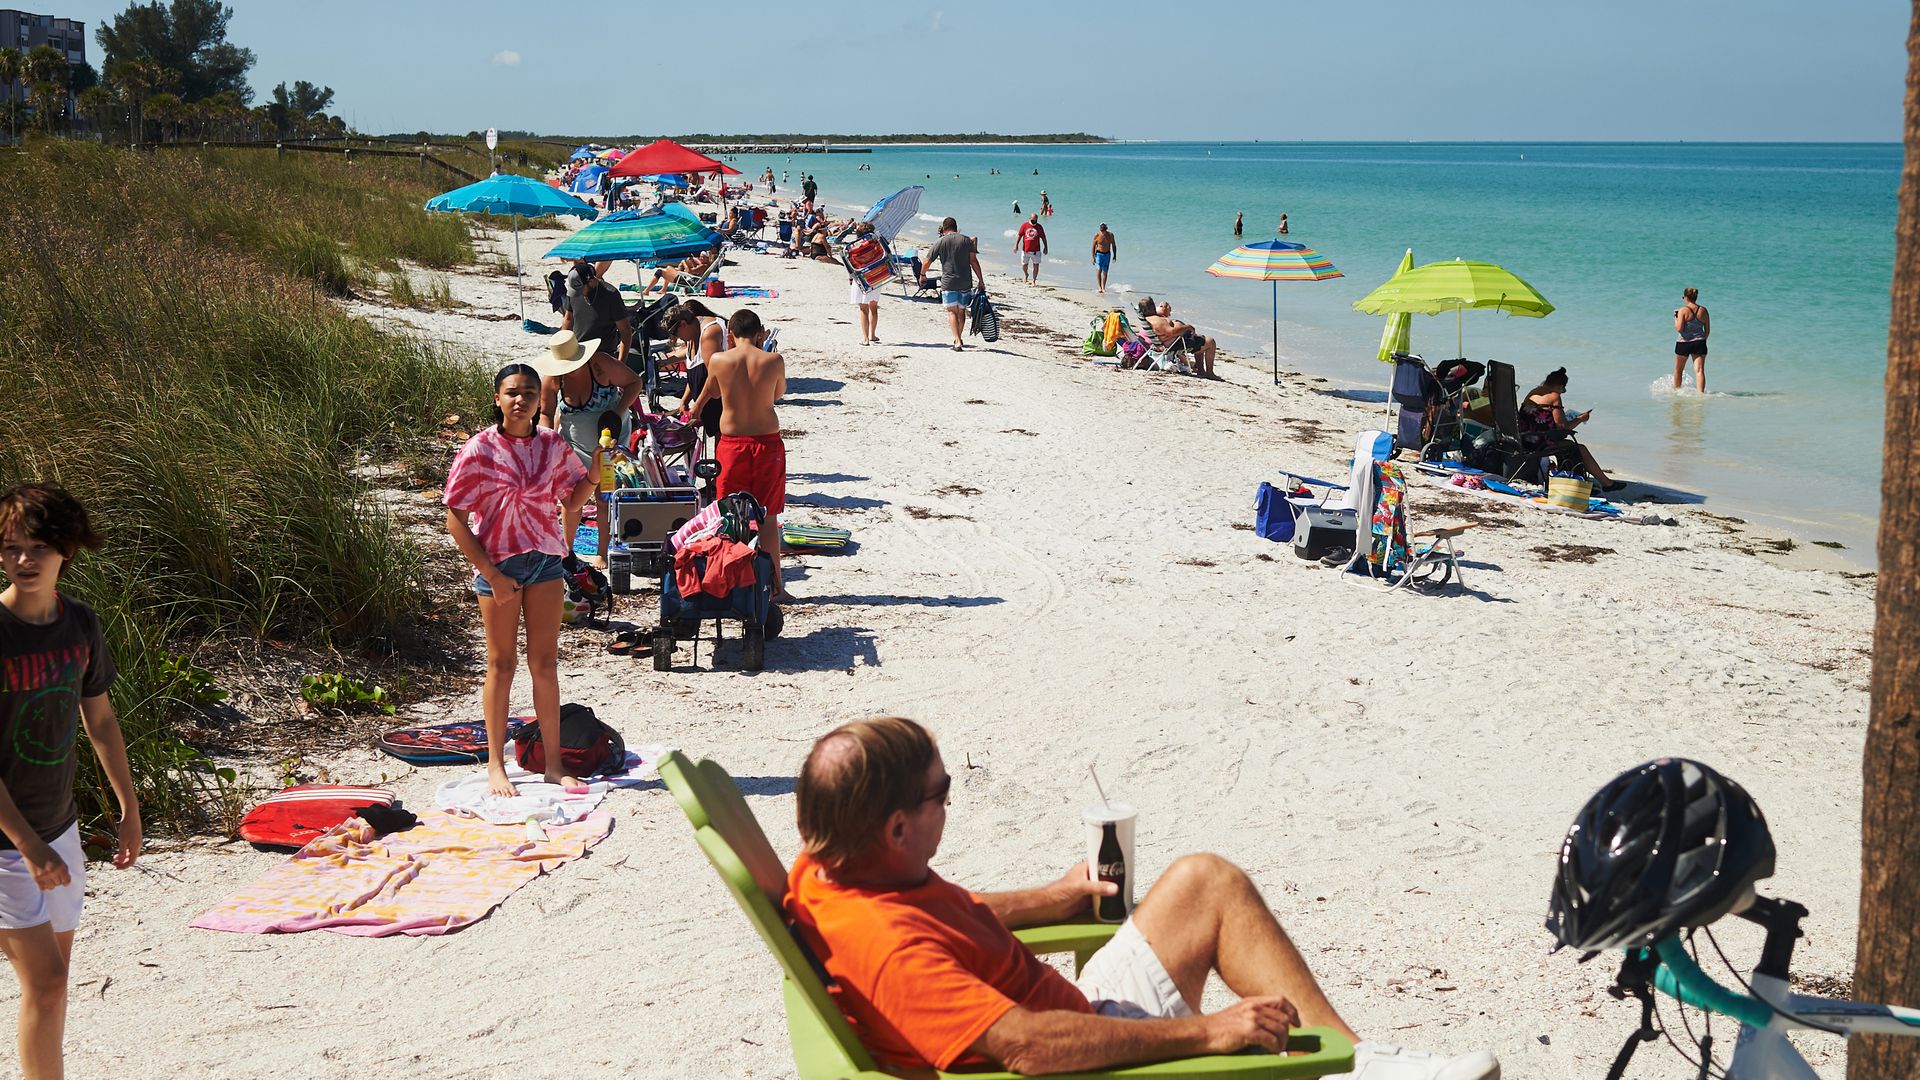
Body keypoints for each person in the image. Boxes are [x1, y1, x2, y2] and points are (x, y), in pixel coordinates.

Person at [787, 716, 1501, 1080]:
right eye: (943, 795)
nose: (951, 806)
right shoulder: (889, 953)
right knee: (1220, 935)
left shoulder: (831, 870)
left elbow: (944, 919)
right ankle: (1355, 1071)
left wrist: (1056, 898)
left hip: (1082, 1017)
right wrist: (1209, 1031)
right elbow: (1027, 1049)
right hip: (1096, 1061)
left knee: (1204, 880)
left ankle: (1358, 1061)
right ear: (898, 826)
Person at [0, 484, 141, 1080]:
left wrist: (128, 808)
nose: (24, 560)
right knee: (48, 980)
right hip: (9, 841)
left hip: (59, 829)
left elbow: (101, 717)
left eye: (38, 547)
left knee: (53, 985)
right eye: (10, 548)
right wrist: (28, 847)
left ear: (67, 550)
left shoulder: (79, 623)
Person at [445, 364, 598, 799]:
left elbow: (571, 501)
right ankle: (496, 764)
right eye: (512, 392)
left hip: (545, 562)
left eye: (529, 392)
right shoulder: (479, 449)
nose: (521, 399)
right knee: (502, 664)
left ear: (539, 400)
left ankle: (553, 765)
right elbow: (455, 519)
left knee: (545, 664)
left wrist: (593, 474)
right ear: (497, 398)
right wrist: (491, 574)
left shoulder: (552, 444)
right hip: (500, 566)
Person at [682, 308, 795, 603]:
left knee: (729, 516)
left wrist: (693, 411)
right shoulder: (773, 360)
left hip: (732, 446)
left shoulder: (720, 360)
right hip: (767, 444)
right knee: (768, 517)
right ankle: (776, 588)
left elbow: (708, 396)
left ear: (730, 335)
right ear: (760, 334)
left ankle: (730, 583)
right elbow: (777, 394)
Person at [536, 331, 642, 566]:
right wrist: (548, 439)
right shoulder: (554, 379)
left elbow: (635, 383)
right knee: (572, 499)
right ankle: (567, 550)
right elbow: (545, 412)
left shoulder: (600, 365)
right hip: (572, 446)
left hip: (607, 444)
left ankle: (602, 551)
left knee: (603, 497)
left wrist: (618, 411)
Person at [1521, 367, 1626, 491]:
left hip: (1525, 438)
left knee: (1568, 446)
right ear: (1559, 386)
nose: (1563, 391)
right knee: (1578, 448)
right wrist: (1581, 419)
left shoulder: (1534, 392)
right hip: (1540, 442)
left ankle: (1575, 481)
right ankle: (1604, 484)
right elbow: (1562, 427)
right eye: (1563, 388)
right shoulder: (1554, 396)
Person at [660, 299, 730, 433]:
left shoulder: (709, 334)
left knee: (721, 440)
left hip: (724, 400)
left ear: (683, 324)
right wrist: (685, 400)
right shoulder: (692, 335)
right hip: (711, 400)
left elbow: (714, 377)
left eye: (676, 334)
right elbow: (695, 374)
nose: (678, 338)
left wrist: (698, 405)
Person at [925, 217, 986, 351]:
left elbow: (927, 261)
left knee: (951, 312)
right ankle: (959, 337)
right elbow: (974, 261)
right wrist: (981, 280)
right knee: (961, 311)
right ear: (956, 227)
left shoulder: (940, 241)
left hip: (949, 282)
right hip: (965, 281)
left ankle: (957, 341)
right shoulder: (966, 241)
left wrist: (922, 275)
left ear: (944, 228)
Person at [560, 261, 634, 371]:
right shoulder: (574, 292)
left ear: (591, 282)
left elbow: (625, 332)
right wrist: (563, 346)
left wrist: (620, 365)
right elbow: (568, 318)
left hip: (603, 354)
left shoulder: (611, 295)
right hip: (577, 352)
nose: (577, 294)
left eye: (580, 290)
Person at [1138, 298, 1218, 377]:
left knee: (1200, 340)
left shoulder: (1148, 318)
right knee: (1210, 341)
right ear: (1152, 306)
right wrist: (1188, 327)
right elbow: (1172, 331)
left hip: (1169, 342)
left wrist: (1164, 307)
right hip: (1173, 345)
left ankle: (1201, 371)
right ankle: (1210, 373)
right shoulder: (1157, 321)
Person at [844, 222, 887, 345]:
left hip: (862, 279)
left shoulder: (853, 248)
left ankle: (865, 339)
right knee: (873, 307)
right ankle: (873, 335)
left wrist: (850, 278)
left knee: (863, 309)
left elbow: (851, 266)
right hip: (876, 277)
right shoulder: (876, 245)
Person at [1672, 287, 1710, 393]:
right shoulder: (1704, 310)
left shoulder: (1683, 310)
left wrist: (1676, 317)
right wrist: (1702, 340)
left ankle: (1676, 393)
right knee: (1699, 371)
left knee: (1678, 370)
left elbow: (1679, 328)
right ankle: (1701, 395)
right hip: (1700, 342)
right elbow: (1707, 330)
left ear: (1686, 298)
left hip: (1684, 343)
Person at [1016, 213, 1048, 285]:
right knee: (1024, 265)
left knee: (1036, 265)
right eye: (1033, 220)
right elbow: (1019, 235)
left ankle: (1034, 280)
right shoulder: (1024, 225)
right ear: (1029, 218)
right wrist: (1016, 245)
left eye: (1036, 220)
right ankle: (1026, 274)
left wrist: (1046, 247)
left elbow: (1043, 237)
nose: (1034, 221)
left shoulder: (1039, 227)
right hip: (1025, 250)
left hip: (1036, 251)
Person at [1091, 224, 1117, 294]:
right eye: (1102, 230)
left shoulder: (1111, 235)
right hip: (1099, 254)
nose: (1103, 232)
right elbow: (1093, 247)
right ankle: (1099, 287)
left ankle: (1103, 287)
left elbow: (1114, 245)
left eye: (1104, 230)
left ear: (1106, 229)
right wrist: (1093, 258)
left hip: (1107, 254)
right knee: (1099, 270)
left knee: (1105, 271)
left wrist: (1115, 256)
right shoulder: (1097, 235)